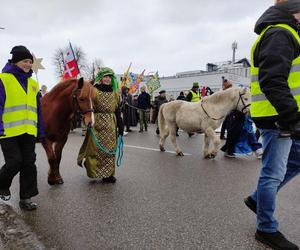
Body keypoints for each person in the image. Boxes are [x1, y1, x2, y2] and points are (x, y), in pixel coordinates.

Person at [244, 1, 300, 249]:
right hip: (278, 116)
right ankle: (265, 229)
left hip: (283, 113)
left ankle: (258, 199)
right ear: (294, 11)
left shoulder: (285, 32)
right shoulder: (280, 32)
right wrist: (291, 117)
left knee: (295, 160)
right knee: (272, 172)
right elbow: (273, 80)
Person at [0, 45, 45, 210]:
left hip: (28, 132)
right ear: (16, 61)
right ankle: (2, 184)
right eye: (25, 61)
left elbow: (38, 110)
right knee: (14, 163)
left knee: (29, 164)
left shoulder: (33, 84)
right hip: (7, 131)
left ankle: (26, 198)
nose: (28, 64)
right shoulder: (3, 79)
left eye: (30, 62)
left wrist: (40, 131)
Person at [77, 67, 124, 183]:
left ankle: (108, 175)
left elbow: (117, 110)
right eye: (105, 77)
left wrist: (121, 125)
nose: (107, 79)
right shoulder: (93, 91)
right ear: (100, 78)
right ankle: (93, 170)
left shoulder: (115, 93)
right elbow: (87, 106)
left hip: (110, 125)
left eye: (109, 77)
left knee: (109, 150)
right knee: (95, 150)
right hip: (96, 122)